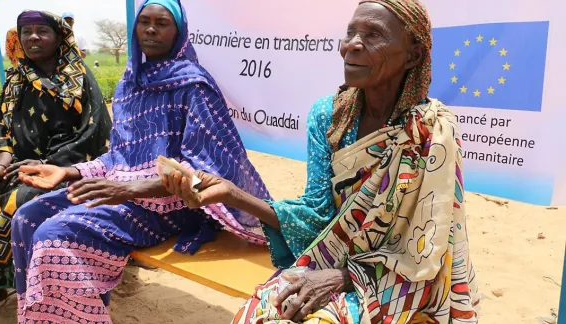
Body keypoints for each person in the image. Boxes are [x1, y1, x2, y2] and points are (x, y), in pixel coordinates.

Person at [163, 0, 480, 322]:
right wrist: (232, 194)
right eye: (351, 33)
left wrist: (344, 278)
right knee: (259, 313)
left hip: (407, 276)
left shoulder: (431, 130)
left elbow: (428, 245)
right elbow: (318, 213)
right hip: (334, 259)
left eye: (373, 35)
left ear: (412, 54)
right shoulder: (328, 117)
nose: (352, 45)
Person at [11, 1, 269, 322]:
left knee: (55, 233)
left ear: (179, 33)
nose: (150, 29)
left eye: (162, 23)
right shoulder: (129, 82)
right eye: (144, 21)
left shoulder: (194, 86)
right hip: (122, 196)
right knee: (27, 216)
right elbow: (118, 158)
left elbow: (205, 174)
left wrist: (130, 189)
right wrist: (67, 172)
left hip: (170, 207)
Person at [0, 11, 112, 309]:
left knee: (16, 202)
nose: (33, 37)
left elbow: (94, 134)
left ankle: (26, 283)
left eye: (41, 31)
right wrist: (3, 164)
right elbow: (3, 127)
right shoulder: (16, 79)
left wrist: (50, 166)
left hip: (68, 169)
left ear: (58, 37)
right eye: (26, 31)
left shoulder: (78, 77)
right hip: (20, 164)